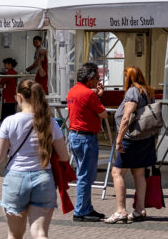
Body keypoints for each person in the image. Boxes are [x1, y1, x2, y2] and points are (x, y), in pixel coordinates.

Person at [0, 79, 69, 239]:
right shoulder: (50, 122)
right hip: (43, 177)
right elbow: (64, 155)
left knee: (14, 234)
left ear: (19, 97)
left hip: (15, 178)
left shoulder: (9, 122)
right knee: (40, 233)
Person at [106, 66, 156, 224]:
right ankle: (140, 209)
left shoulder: (133, 91)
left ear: (128, 78)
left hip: (131, 139)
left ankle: (121, 210)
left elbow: (126, 117)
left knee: (117, 173)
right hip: (144, 138)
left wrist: (119, 138)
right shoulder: (148, 91)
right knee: (139, 173)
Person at [66, 62, 106, 222]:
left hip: (75, 135)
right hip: (86, 137)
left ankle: (86, 207)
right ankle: (81, 210)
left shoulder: (72, 91)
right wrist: (98, 96)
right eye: (96, 77)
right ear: (89, 79)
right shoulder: (88, 94)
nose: (98, 80)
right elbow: (102, 114)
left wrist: (96, 95)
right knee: (85, 175)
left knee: (85, 173)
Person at [0, 57, 18, 121]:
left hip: (7, 96)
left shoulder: (8, 73)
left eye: (5, 64)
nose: (4, 65)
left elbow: (1, 85)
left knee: (5, 114)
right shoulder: (15, 73)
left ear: (10, 64)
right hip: (13, 96)